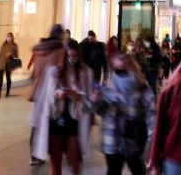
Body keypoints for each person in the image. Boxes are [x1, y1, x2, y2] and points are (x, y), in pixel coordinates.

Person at [32, 40, 93, 175]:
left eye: (74, 57)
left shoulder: (86, 72)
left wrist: (76, 95)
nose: (72, 59)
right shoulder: (53, 71)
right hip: (56, 117)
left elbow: (88, 96)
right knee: (55, 160)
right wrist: (58, 93)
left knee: (75, 159)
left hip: (75, 118)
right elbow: (47, 94)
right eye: (69, 56)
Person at [93, 49, 156, 175]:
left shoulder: (141, 87)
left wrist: (153, 135)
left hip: (133, 135)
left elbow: (152, 112)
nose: (121, 64)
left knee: (135, 166)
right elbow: (101, 111)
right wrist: (96, 100)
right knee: (114, 169)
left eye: (124, 61)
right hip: (112, 135)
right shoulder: (109, 86)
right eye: (118, 62)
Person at [28, 24, 67, 166]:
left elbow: (35, 71)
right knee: (55, 120)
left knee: (37, 121)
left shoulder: (40, 48)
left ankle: (34, 154)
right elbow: (60, 68)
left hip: (38, 87)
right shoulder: (59, 48)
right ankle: (56, 150)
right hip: (52, 88)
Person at [0, 32, 19, 98]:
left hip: (9, 63)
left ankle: (7, 93)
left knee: (8, 78)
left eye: (9, 36)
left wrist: (11, 54)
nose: (8, 37)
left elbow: (16, 56)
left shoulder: (14, 45)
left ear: (12, 37)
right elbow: (0, 54)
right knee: (0, 78)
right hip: (2, 63)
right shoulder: (4, 44)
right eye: (7, 36)